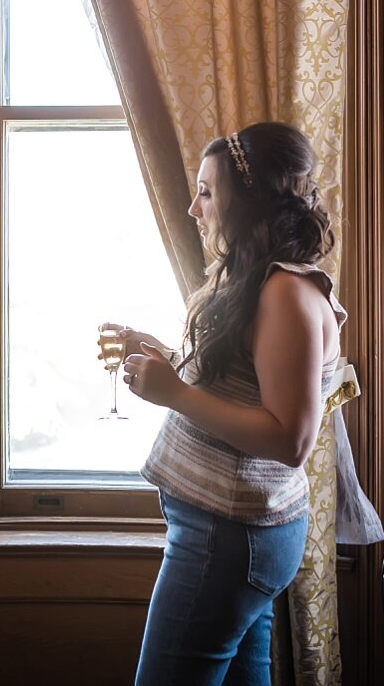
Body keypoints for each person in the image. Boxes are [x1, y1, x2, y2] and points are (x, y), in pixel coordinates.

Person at [113, 121, 349, 686]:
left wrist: (173, 392)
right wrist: (169, 358)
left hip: (229, 536)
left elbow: (290, 438)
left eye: (206, 191)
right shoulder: (260, 282)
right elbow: (246, 385)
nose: (195, 209)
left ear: (246, 199)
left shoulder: (286, 294)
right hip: (230, 530)